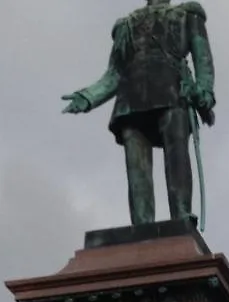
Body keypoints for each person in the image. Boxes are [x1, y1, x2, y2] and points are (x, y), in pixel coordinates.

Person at [62, 0, 216, 226]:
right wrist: (88, 97)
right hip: (131, 100)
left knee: (177, 155)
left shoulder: (188, 15)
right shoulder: (126, 26)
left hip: (172, 93)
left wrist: (204, 93)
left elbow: (204, 61)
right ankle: (141, 227)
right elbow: (115, 74)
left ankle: (181, 217)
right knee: (137, 169)